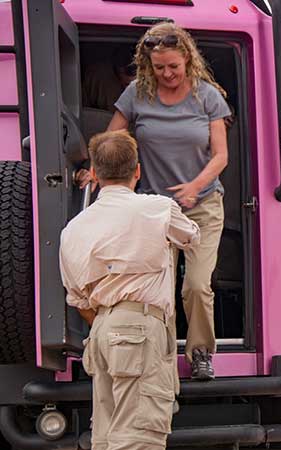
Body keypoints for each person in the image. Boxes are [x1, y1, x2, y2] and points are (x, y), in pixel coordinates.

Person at [77, 22, 230, 380]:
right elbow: (110, 137)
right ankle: (160, 358)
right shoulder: (136, 94)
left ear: (187, 60)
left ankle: (201, 353)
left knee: (195, 285)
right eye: (159, 67)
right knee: (157, 289)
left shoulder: (207, 96)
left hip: (203, 205)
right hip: (154, 210)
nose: (167, 74)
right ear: (148, 65)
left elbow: (220, 156)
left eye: (173, 66)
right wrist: (92, 169)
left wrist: (195, 185)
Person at [59, 130, 200, 450]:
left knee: (107, 438)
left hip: (102, 334)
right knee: (138, 439)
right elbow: (192, 238)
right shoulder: (158, 209)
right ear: (137, 170)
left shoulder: (73, 230)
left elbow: (78, 299)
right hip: (141, 329)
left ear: (93, 173)